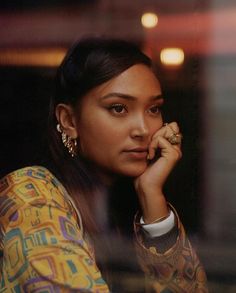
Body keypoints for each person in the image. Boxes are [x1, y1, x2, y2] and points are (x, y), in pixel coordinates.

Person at [0, 37, 208, 292]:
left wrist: (151, 194)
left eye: (153, 109)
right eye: (119, 108)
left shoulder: (120, 201)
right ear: (69, 121)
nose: (143, 129)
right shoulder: (29, 196)